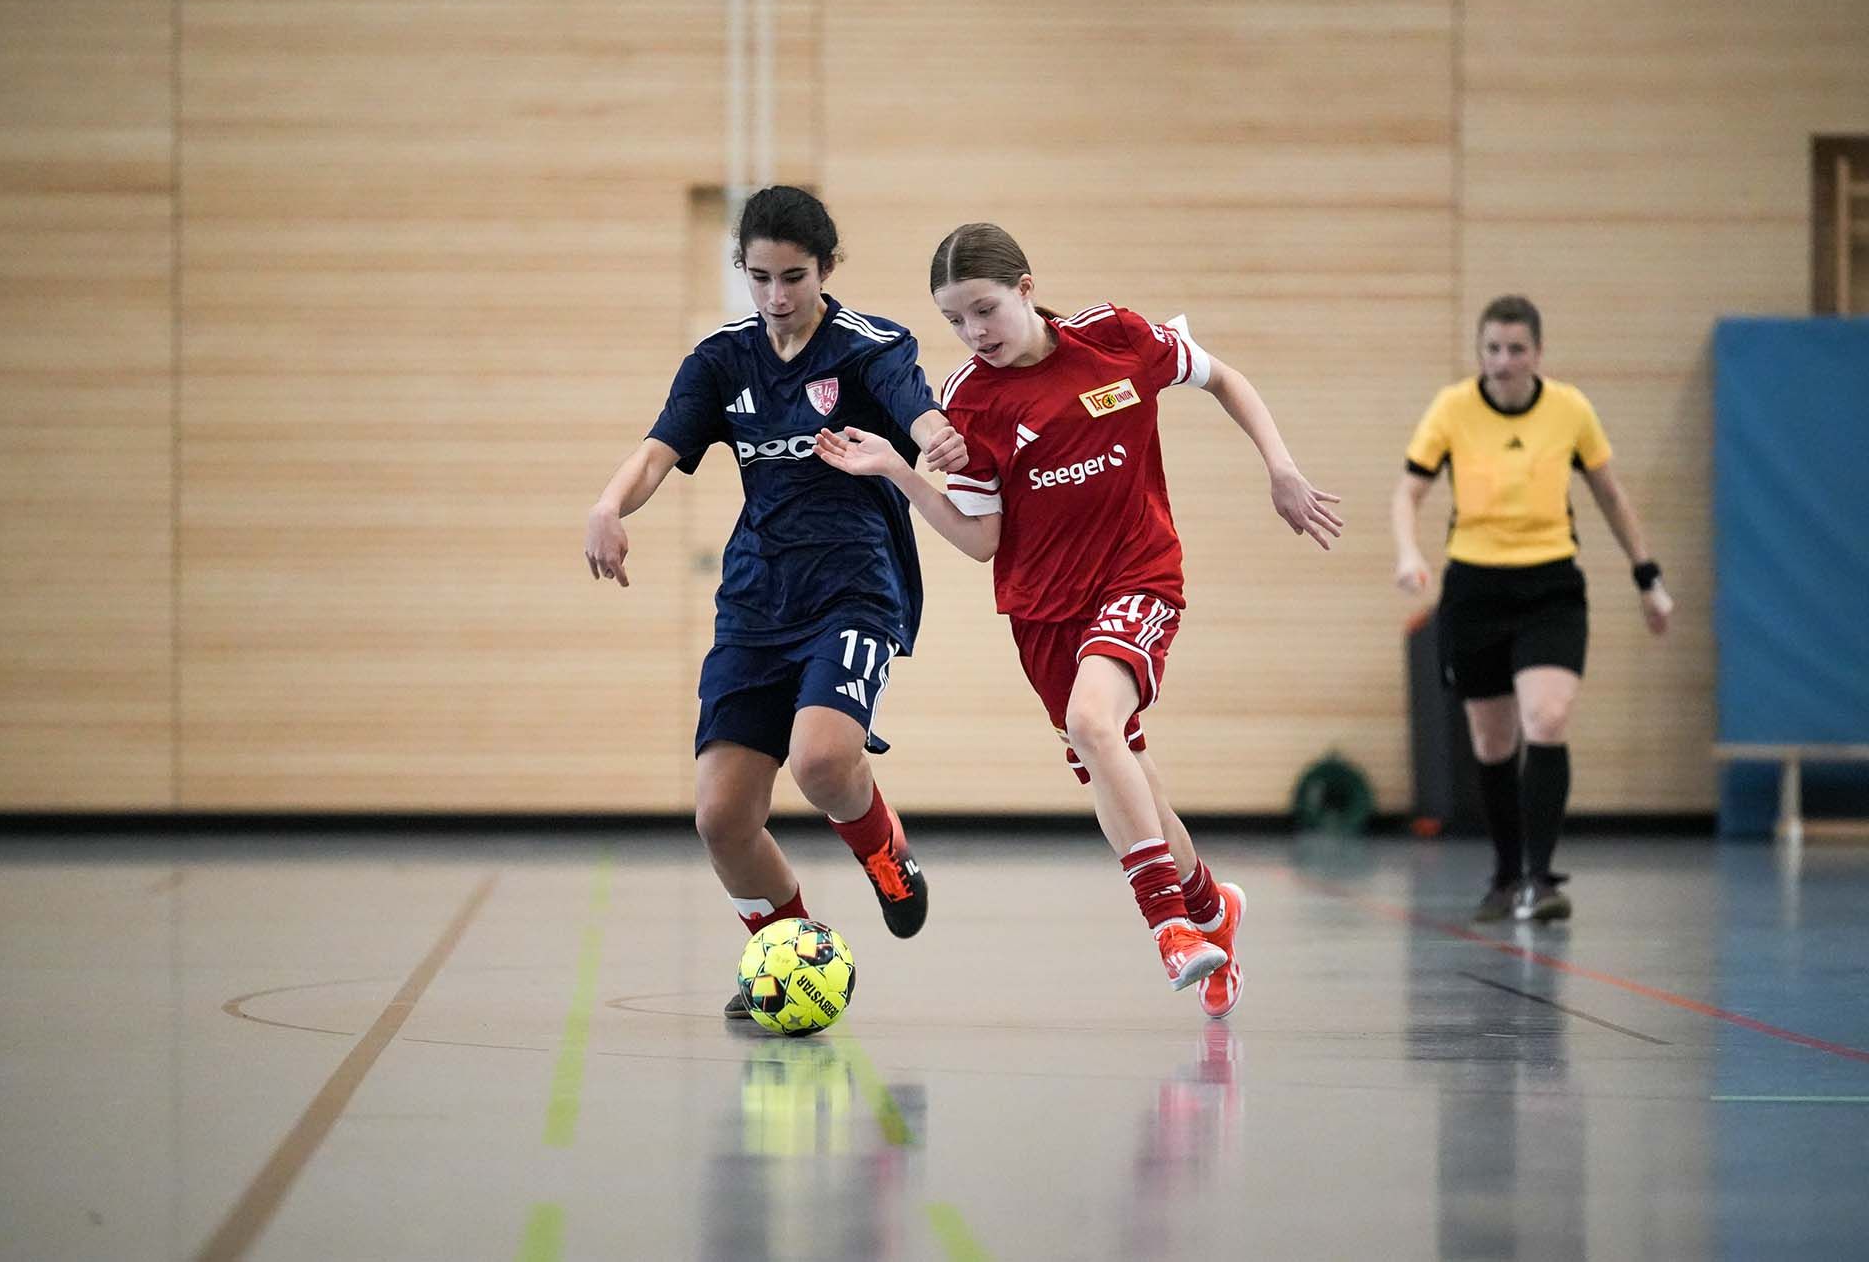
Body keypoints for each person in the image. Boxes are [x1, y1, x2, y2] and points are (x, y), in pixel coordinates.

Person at [815, 222, 1343, 1018]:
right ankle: (1209, 910)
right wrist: (898, 473)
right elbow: (981, 540)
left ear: (1026, 288)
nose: (973, 333)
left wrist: (1282, 468)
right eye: (955, 321)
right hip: (1043, 617)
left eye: (984, 310)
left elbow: (1224, 377)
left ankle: (1168, 926)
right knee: (1128, 778)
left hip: (1137, 576)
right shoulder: (968, 401)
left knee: (1095, 721)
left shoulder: (1116, 339)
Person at [584, 186, 966, 1019]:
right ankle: (788, 951)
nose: (778, 296)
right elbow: (659, 451)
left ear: (825, 268)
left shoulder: (870, 347)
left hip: (855, 591)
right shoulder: (723, 359)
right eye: (759, 278)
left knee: (823, 761)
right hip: (757, 602)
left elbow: (916, 405)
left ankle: (888, 856)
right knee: (722, 817)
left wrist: (934, 432)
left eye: (794, 276)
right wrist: (611, 504)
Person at [1391, 294, 1674, 923]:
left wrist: (1647, 577)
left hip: (1550, 588)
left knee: (1546, 717)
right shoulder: (1453, 409)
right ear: (1481, 353)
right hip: (1475, 589)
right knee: (1492, 740)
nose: (1503, 361)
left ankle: (1541, 882)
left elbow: (1611, 496)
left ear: (1538, 354)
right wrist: (1409, 554)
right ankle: (1506, 874)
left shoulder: (1570, 410)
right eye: (1492, 349)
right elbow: (1409, 492)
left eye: (1517, 350)